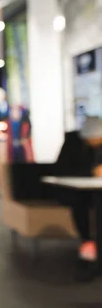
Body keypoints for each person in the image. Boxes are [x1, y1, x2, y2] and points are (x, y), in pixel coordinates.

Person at [55, 117, 102, 282]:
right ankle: (89, 243)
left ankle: (93, 252)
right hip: (76, 193)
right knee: (81, 205)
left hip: (94, 192)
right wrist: (90, 171)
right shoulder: (73, 145)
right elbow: (62, 169)